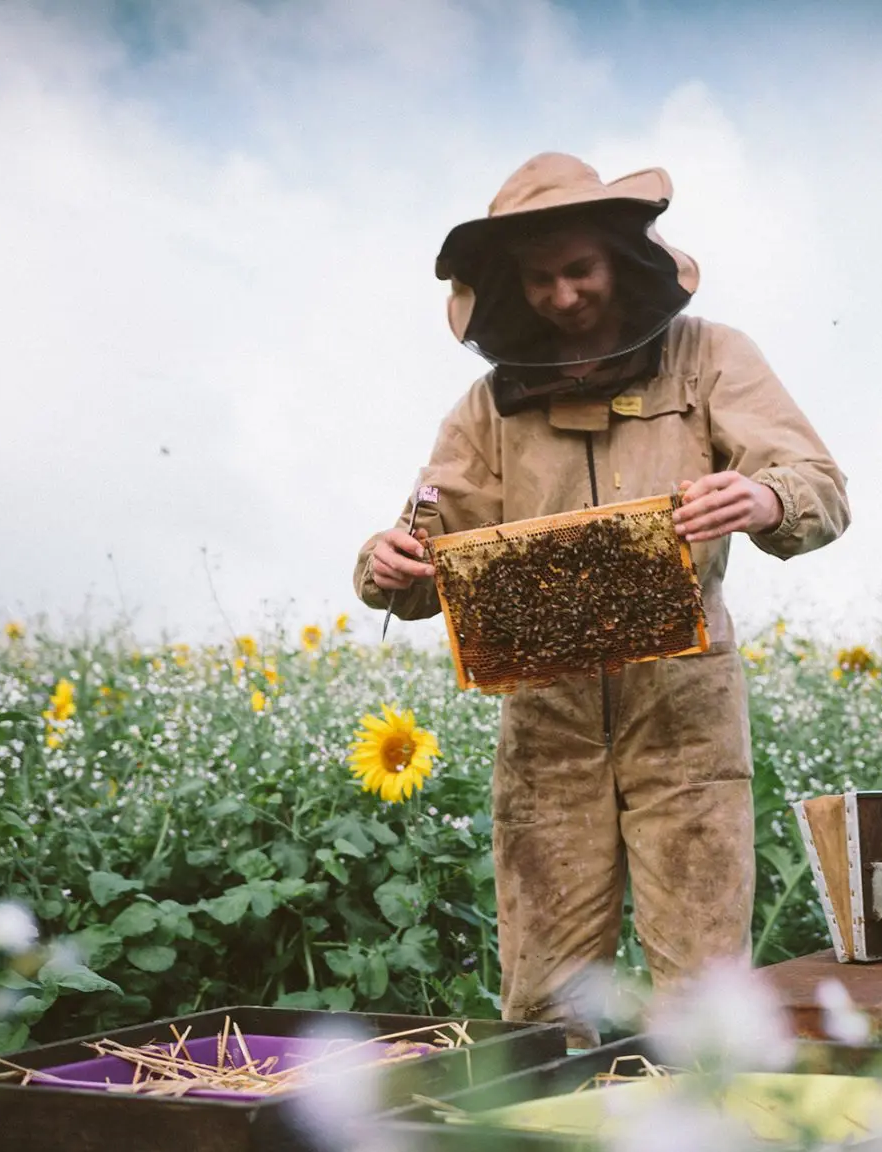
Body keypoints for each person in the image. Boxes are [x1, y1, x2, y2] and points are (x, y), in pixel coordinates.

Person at [353, 152, 848, 1044]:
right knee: (545, 1009)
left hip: (684, 716)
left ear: (620, 259)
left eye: (579, 270)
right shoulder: (485, 408)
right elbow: (423, 542)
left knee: (703, 1005)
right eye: (539, 279)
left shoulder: (711, 359)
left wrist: (765, 497)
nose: (563, 295)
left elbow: (818, 484)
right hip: (547, 727)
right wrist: (385, 564)